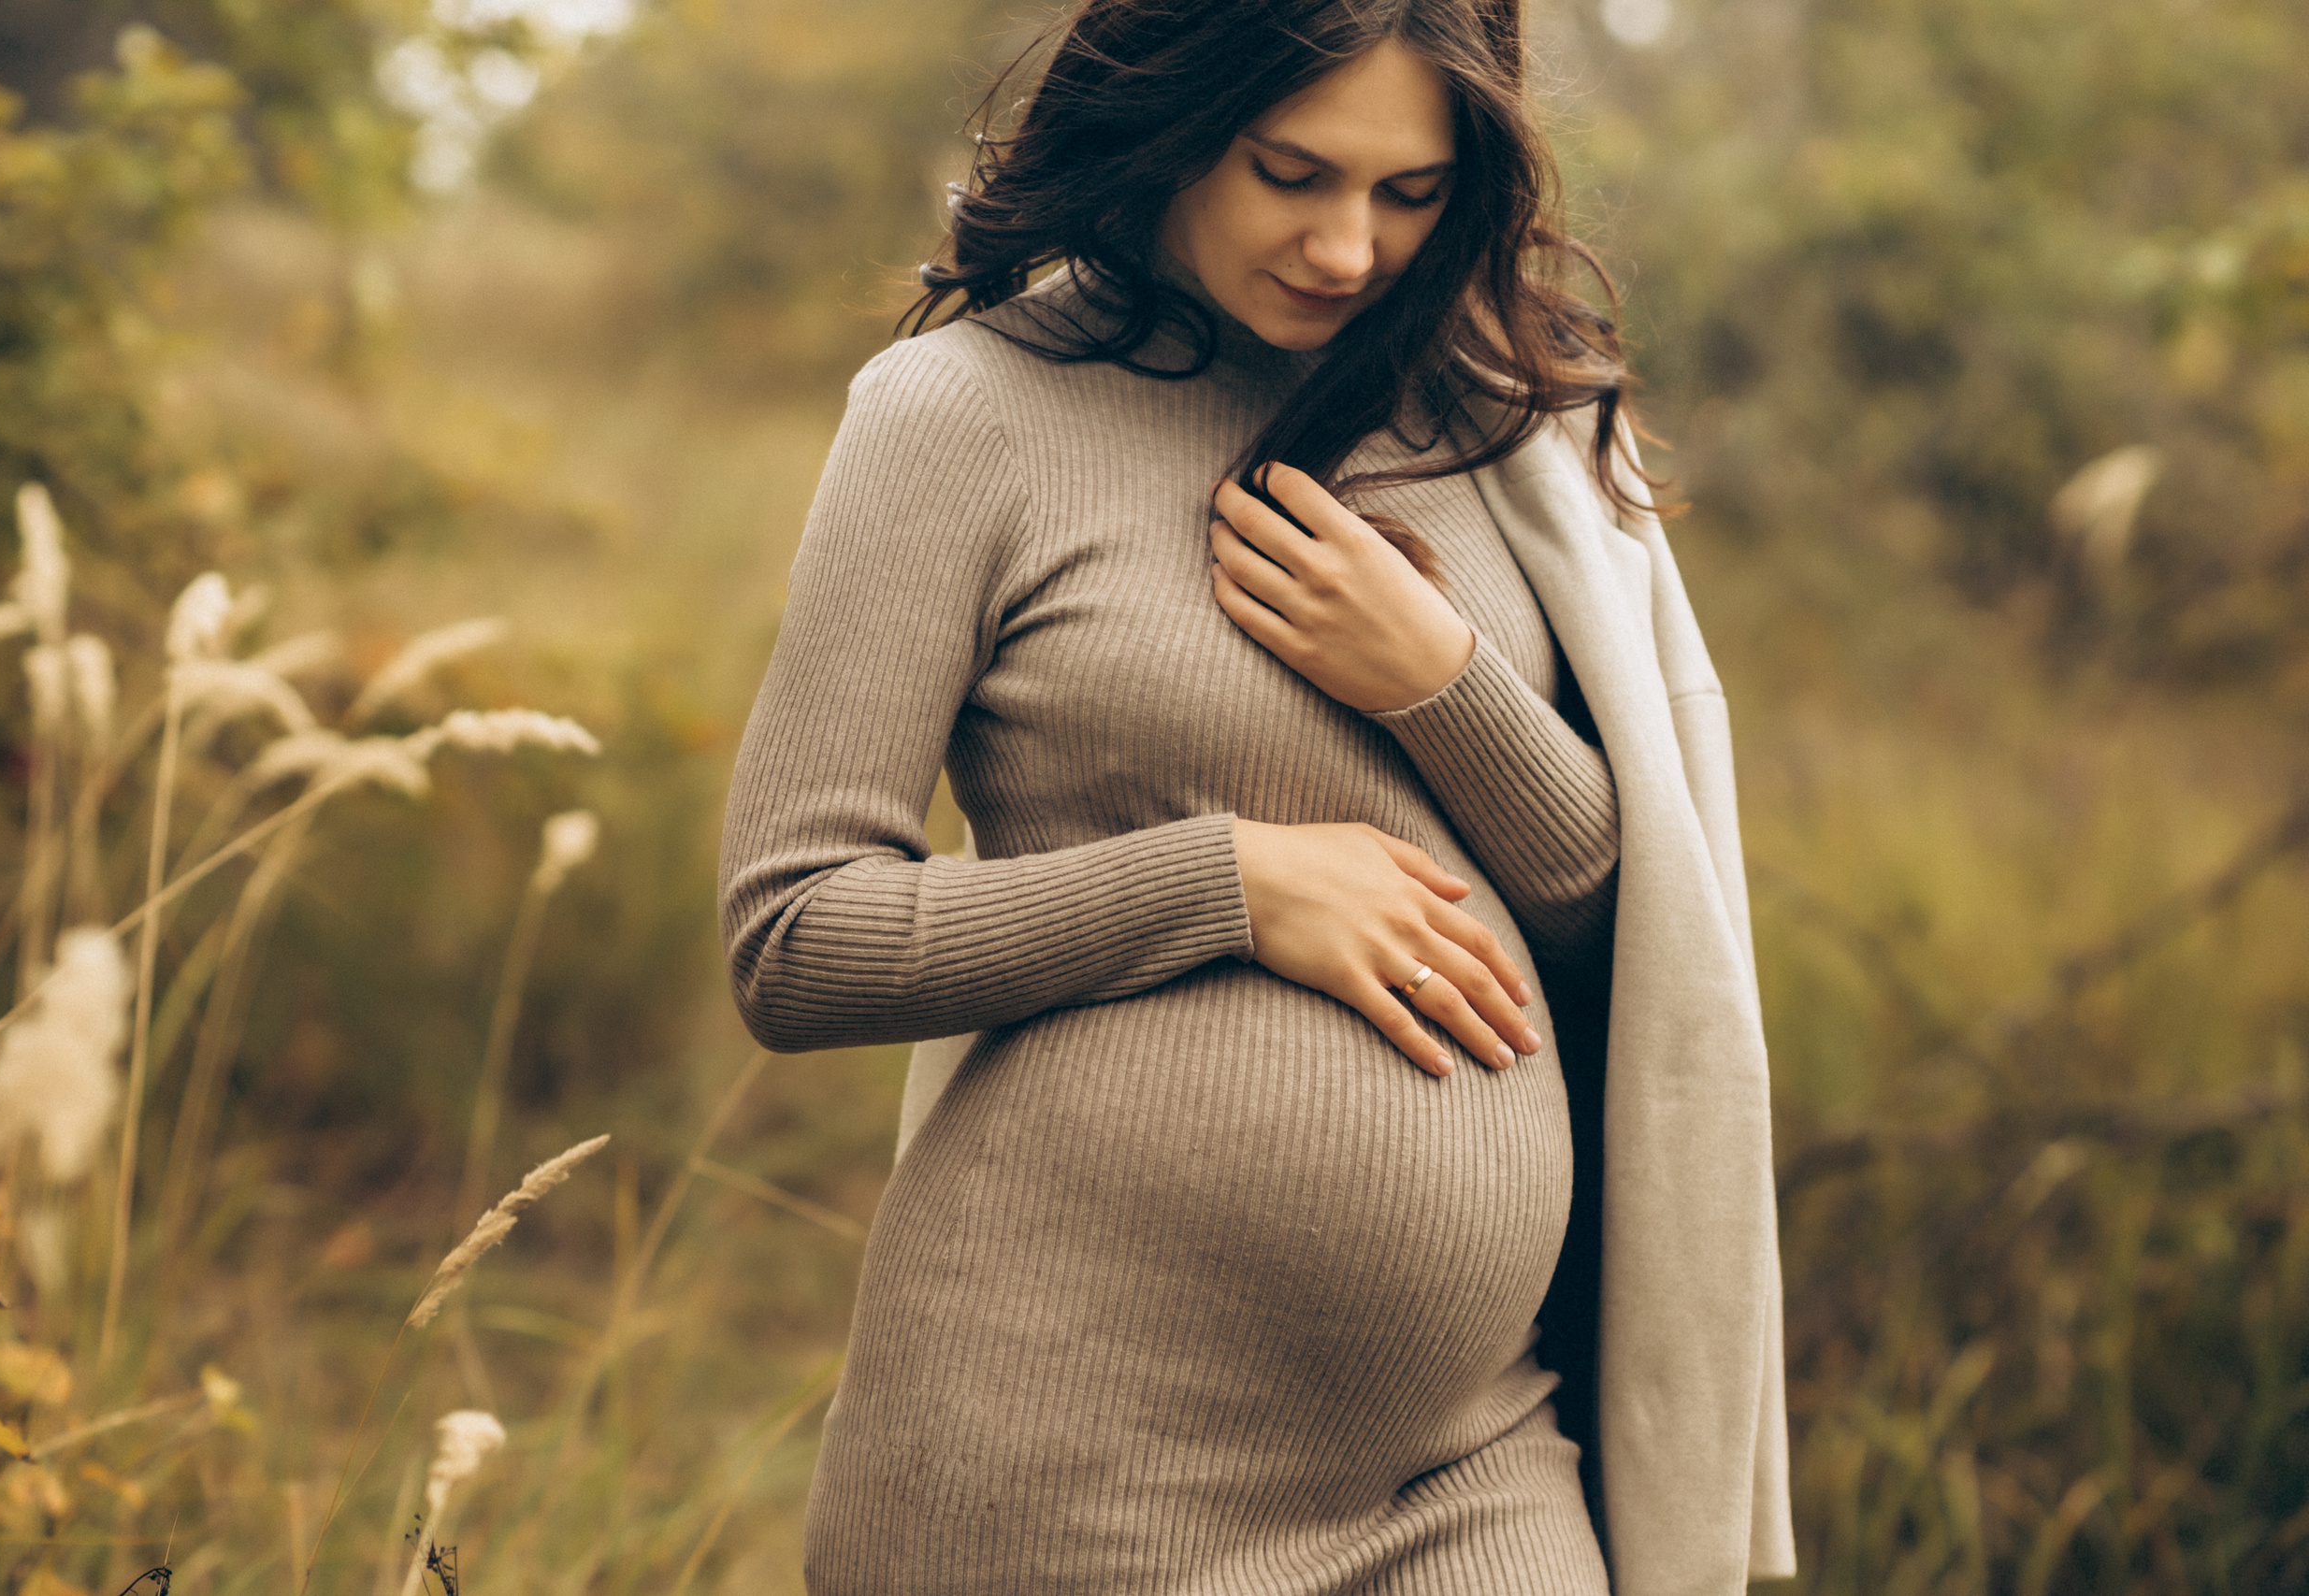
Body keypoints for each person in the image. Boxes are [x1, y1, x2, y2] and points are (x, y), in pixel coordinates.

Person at [717, 2, 1793, 1590]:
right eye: (1291, 173)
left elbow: (1627, 926)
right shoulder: (967, 414)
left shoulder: (1505, 437)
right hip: (1069, 1466)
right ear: (1169, 120)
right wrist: (1227, 883)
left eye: (1409, 193)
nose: (1349, 249)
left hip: (1472, 1455)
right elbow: (796, 938)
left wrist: (1442, 683)